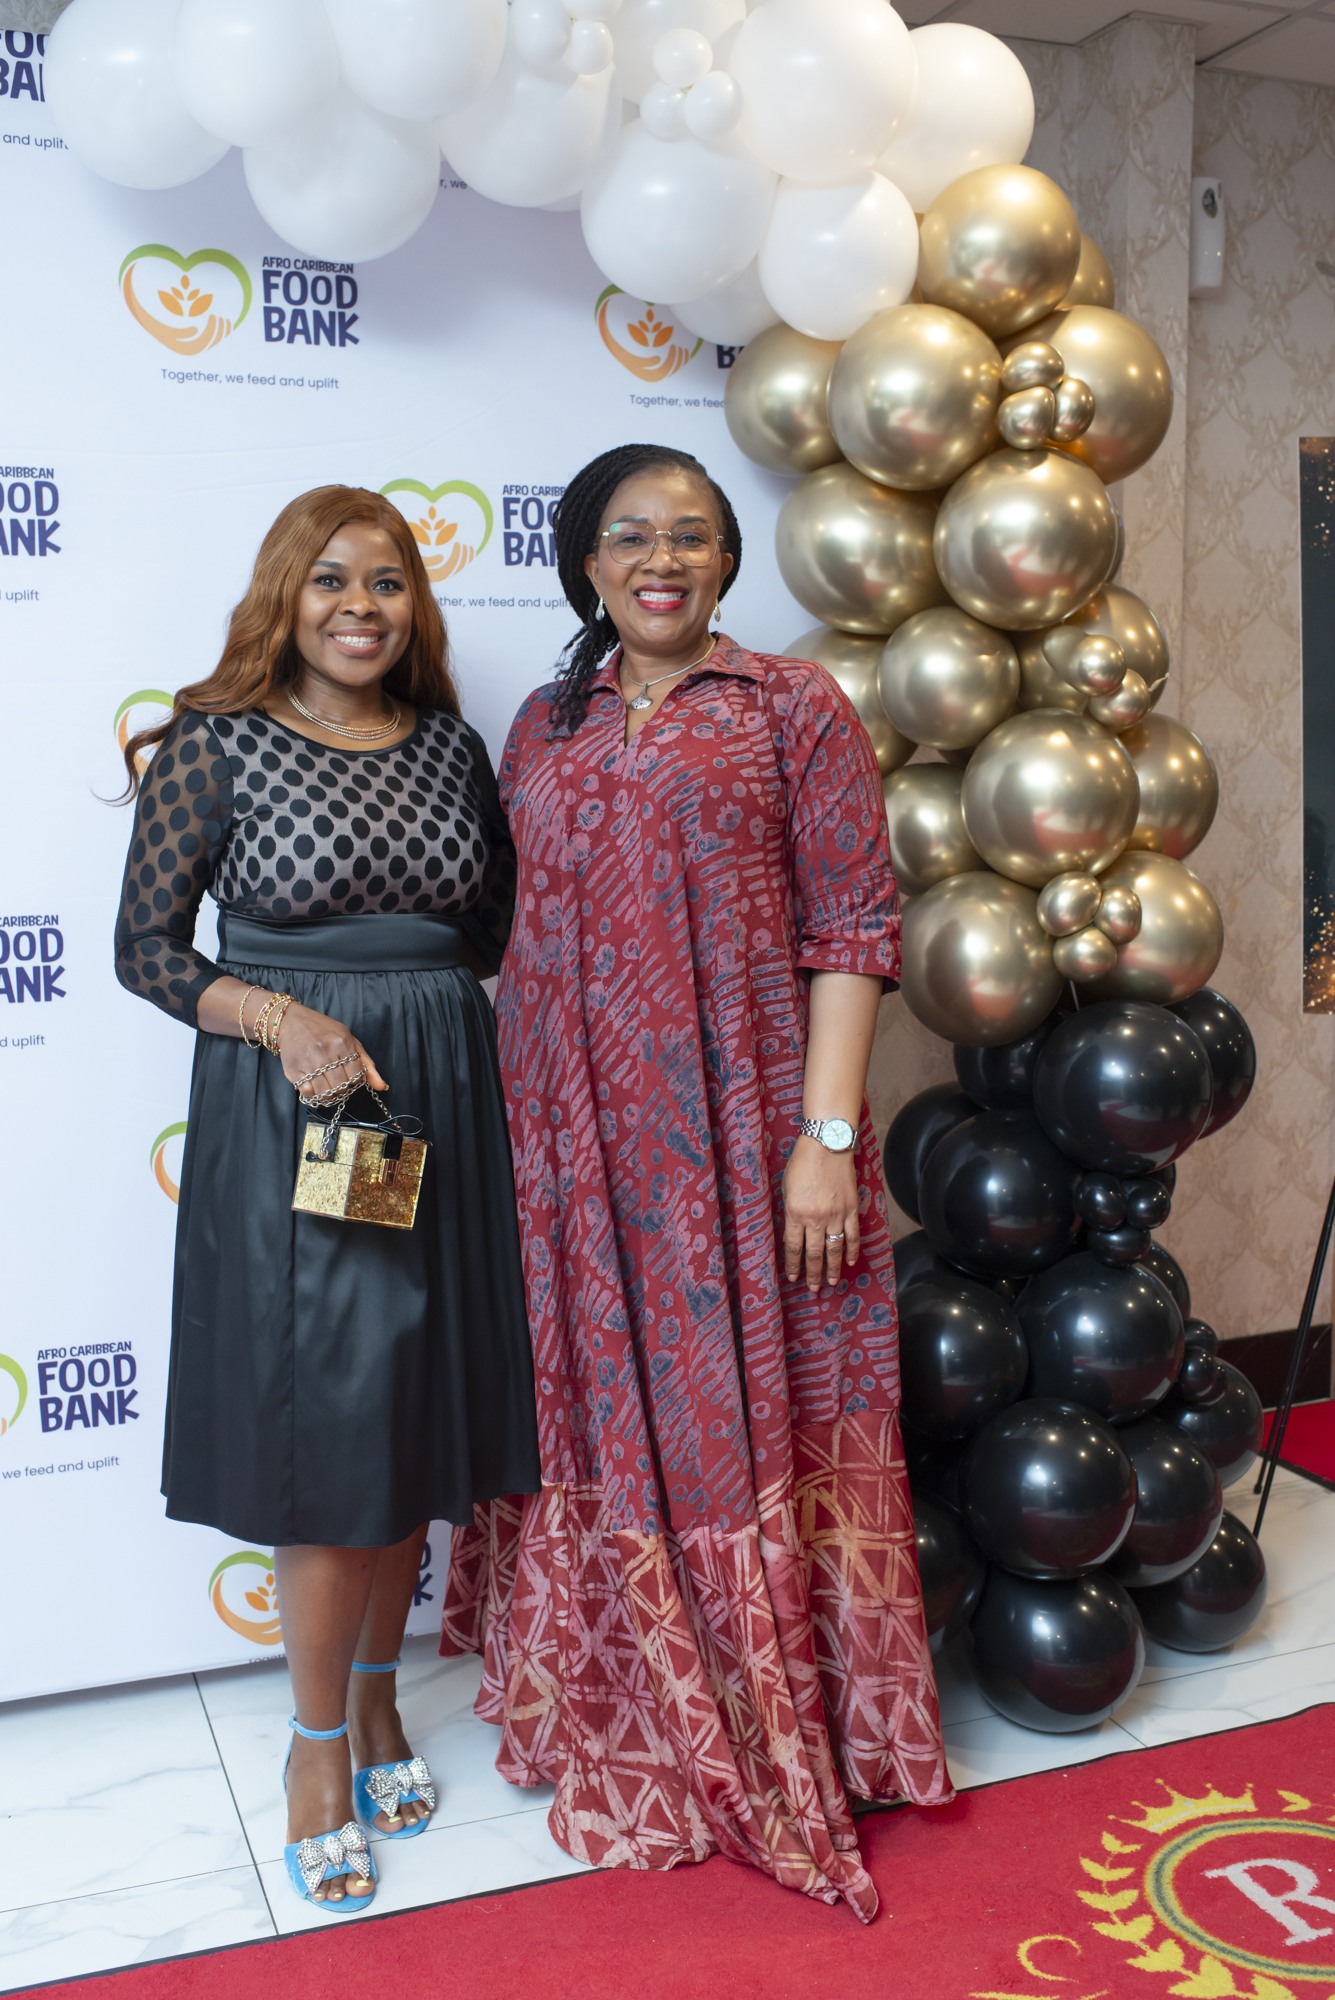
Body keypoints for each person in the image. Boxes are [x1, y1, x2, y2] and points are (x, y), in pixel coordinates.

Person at [441, 445, 949, 1922]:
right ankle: (625, 1709)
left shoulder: (792, 705)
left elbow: (853, 926)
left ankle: (775, 1722)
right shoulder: (543, 722)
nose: (658, 559)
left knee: (751, 1413)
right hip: (569, 1145)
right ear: (585, 565)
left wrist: (826, 1140)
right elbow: (511, 927)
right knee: (597, 1412)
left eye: (690, 535)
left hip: (744, 1137)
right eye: (627, 536)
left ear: (727, 559)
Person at [114, 486, 539, 1913]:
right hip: (312, 1102)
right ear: (284, 597)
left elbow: (492, 926)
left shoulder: (452, 747)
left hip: (440, 1093)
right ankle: (312, 1752)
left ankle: (374, 1693)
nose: (362, 606)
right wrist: (282, 1019)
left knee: (412, 1398)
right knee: (338, 1410)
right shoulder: (218, 742)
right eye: (332, 580)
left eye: (389, 582)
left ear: (417, 607)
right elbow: (145, 948)